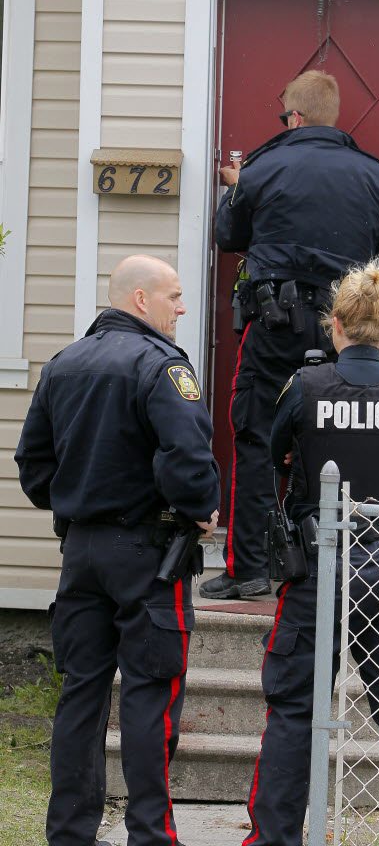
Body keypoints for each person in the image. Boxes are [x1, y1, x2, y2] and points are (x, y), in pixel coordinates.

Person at [15, 255, 220, 846]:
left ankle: (70, 834)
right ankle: (149, 835)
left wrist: (78, 497)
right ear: (140, 300)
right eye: (175, 297)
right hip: (148, 555)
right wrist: (198, 509)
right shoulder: (162, 367)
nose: (181, 308)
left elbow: (32, 467)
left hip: (80, 552)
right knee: (150, 694)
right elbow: (188, 459)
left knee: (81, 691)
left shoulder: (63, 365)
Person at [242, 258, 379, 846]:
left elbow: (277, 450)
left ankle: (276, 837)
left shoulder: (304, 387)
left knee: (294, 709)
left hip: (317, 567)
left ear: (335, 325)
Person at [200, 70, 379, 600]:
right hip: (346, 327)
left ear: (293, 117)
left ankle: (248, 569)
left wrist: (238, 186)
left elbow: (229, 235)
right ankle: (344, 568)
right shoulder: (376, 175)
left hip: (275, 325)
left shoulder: (263, 167)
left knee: (254, 434)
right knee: (344, 433)